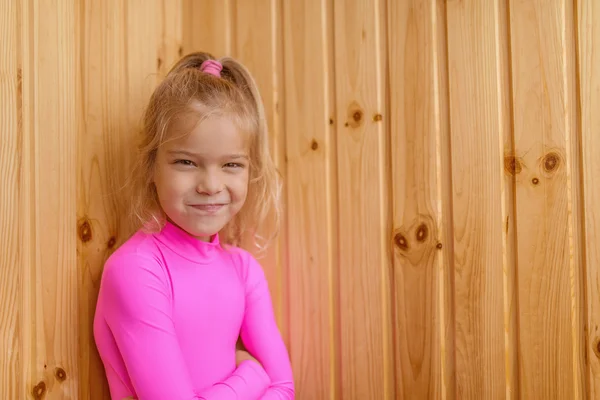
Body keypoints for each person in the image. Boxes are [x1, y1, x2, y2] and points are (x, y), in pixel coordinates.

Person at [93, 52, 294, 400]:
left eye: (231, 164)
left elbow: (285, 390)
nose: (211, 185)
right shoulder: (137, 269)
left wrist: (263, 382)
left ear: (250, 170)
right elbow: (269, 382)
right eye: (187, 162)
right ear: (152, 168)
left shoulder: (244, 271)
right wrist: (250, 374)